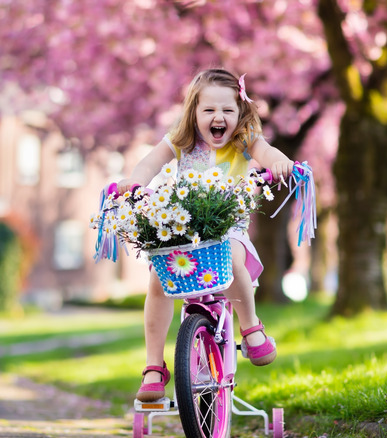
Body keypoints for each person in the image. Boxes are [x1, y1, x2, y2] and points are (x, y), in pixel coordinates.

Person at [116, 68, 295, 402]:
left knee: (230, 257)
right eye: (209, 110)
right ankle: (154, 367)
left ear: (240, 114)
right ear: (194, 113)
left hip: (229, 231)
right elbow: (149, 163)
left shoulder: (245, 140)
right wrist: (134, 181)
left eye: (227, 110)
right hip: (186, 235)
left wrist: (280, 162)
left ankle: (251, 327)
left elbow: (267, 153)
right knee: (158, 281)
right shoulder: (182, 142)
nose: (219, 117)